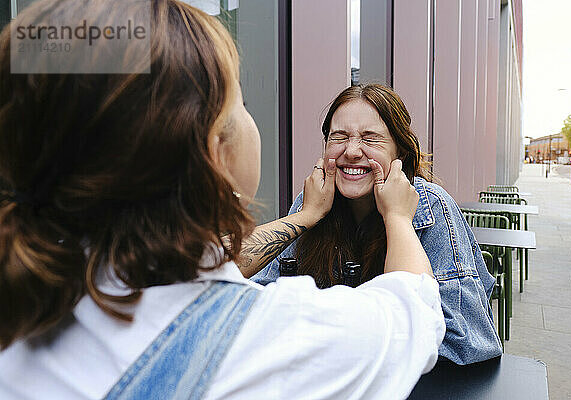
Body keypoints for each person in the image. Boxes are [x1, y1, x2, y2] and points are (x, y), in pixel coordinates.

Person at [0, 1, 445, 399]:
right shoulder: (265, 342)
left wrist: (308, 215)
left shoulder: (35, 292)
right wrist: (399, 219)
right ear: (215, 150)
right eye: (241, 100)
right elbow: (416, 313)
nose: (352, 149)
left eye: (370, 138)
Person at [250, 84, 503, 365]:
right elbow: (251, 298)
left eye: (370, 138)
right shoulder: (311, 201)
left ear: (401, 152)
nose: (352, 151)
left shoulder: (431, 205)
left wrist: (398, 218)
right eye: (339, 137)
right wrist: (305, 216)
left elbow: (468, 342)